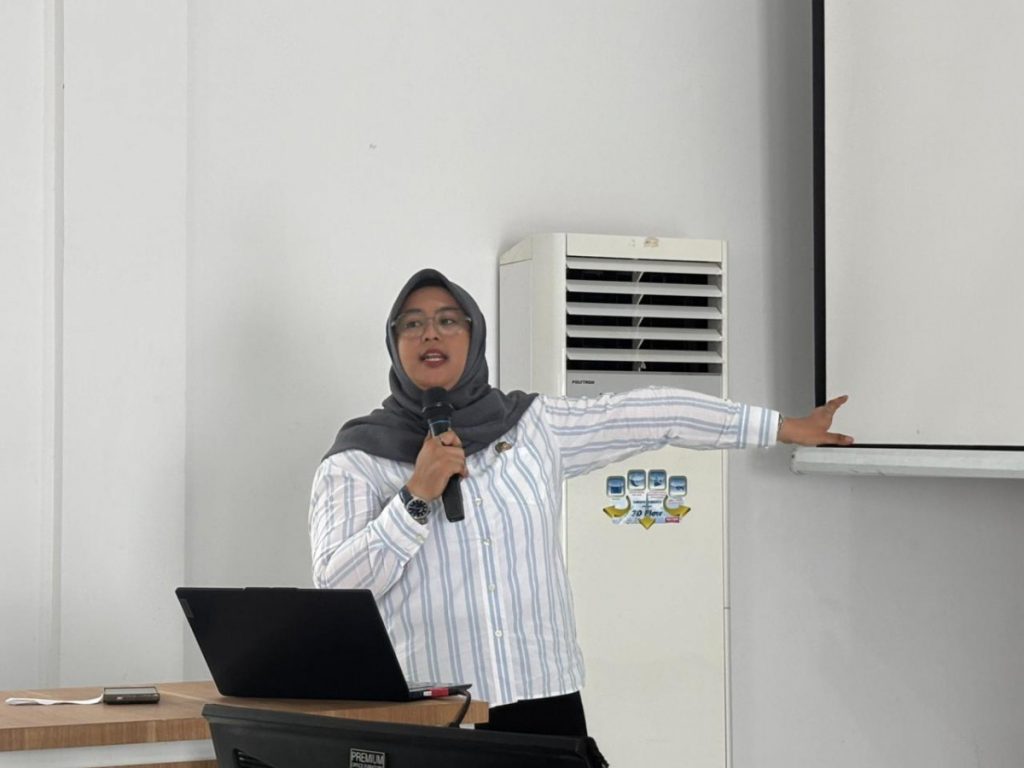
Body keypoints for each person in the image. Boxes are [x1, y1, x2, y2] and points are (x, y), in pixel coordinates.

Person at [309, 268, 852, 738]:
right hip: (430, 710)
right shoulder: (358, 458)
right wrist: (415, 498)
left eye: (449, 319)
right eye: (412, 323)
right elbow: (336, 587)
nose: (431, 332)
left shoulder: (534, 426)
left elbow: (655, 414)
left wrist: (780, 427)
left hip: (544, 699)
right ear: (395, 344)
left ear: (474, 336)